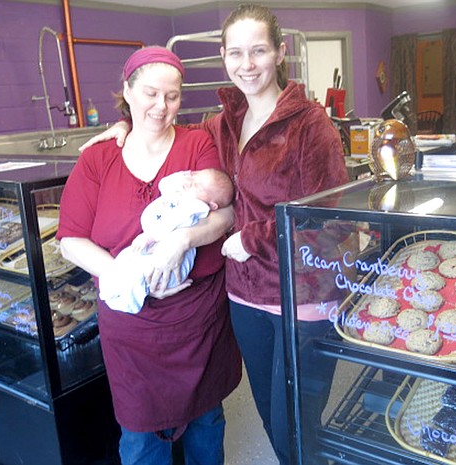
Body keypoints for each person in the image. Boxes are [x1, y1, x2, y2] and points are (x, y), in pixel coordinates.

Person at [80, 5, 351, 464]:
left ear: (280, 52)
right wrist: (128, 124)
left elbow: (330, 219)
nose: (248, 64)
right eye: (236, 52)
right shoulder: (221, 124)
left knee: (297, 430)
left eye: (259, 51)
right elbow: (169, 132)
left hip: (302, 298)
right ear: (224, 56)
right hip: (244, 300)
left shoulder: (310, 124)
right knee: (271, 420)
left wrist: (251, 239)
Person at [57, 46, 242, 465]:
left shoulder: (197, 145)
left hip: (197, 321)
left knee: (205, 423)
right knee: (140, 439)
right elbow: (70, 239)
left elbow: (226, 211)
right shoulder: (98, 159)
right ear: (127, 91)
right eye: (150, 93)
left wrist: (181, 242)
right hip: (132, 330)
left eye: (173, 96)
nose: (162, 106)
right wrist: (129, 276)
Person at [99, 168, 234, 314]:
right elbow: (164, 185)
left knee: (142, 272)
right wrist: (184, 176)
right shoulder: (182, 194)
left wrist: (151, 236)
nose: (189, 183)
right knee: (125, 259)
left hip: (174, 264)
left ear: (212, 205)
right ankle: (109, 289)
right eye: (195, 175)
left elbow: (173, 222)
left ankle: (128, 303)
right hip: (156, 248)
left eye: (197, 185)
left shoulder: (196, 207)